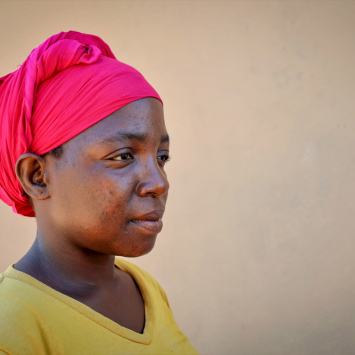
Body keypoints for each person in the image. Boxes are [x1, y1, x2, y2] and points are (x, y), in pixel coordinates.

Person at [0, 31, 198, 355]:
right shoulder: (13, 328)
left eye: (161, 157)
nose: (159, 183)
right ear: (37, 176)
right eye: (123, 156)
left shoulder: (143, 289)